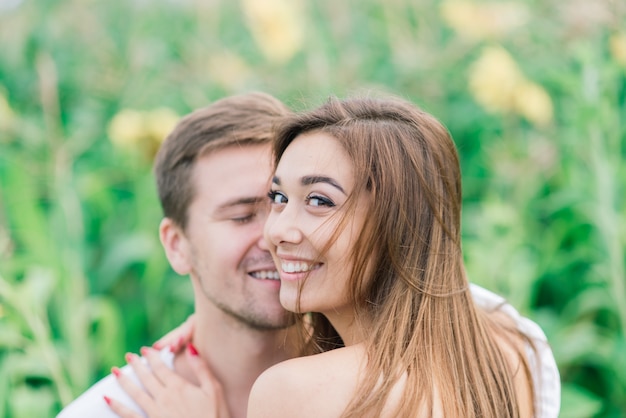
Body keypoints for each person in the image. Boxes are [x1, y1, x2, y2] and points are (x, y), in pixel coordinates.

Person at [107, 95, 560, 417]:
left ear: (395, 224)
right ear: (176, 243)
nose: (276, 231)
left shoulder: (295, 393)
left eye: (320, 201)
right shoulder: (511, 350)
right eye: (279, 198)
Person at [56, 92, 301, 418]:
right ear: (176, 245)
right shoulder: (107, 412)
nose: (275, 234)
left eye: (287, 204)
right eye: (241, 215)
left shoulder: (377, 388)